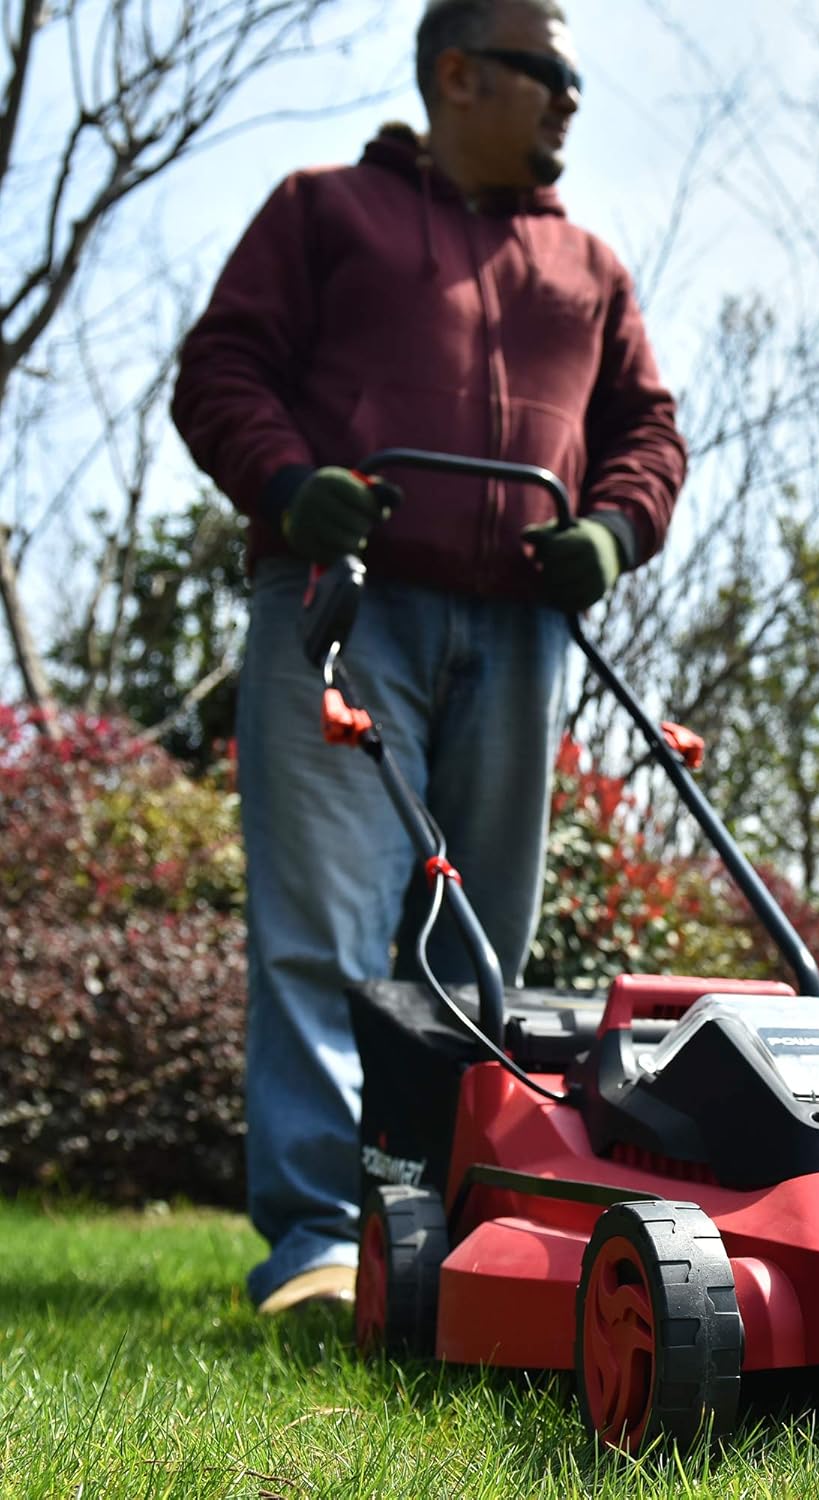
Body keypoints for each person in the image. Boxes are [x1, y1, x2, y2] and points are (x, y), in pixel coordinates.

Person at [171, 0, 686, 1314]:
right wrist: (291, 485)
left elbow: (648, 431)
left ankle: (459, 1241)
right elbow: (221, 369)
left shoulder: (588, 265)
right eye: (545, 73)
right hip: (343, 610)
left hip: (519, 630)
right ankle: (313, 1248)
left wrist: (615, 533)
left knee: (475, 958)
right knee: (328, 939)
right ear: (457, 74)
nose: (570, 100)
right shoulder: (324, 212)